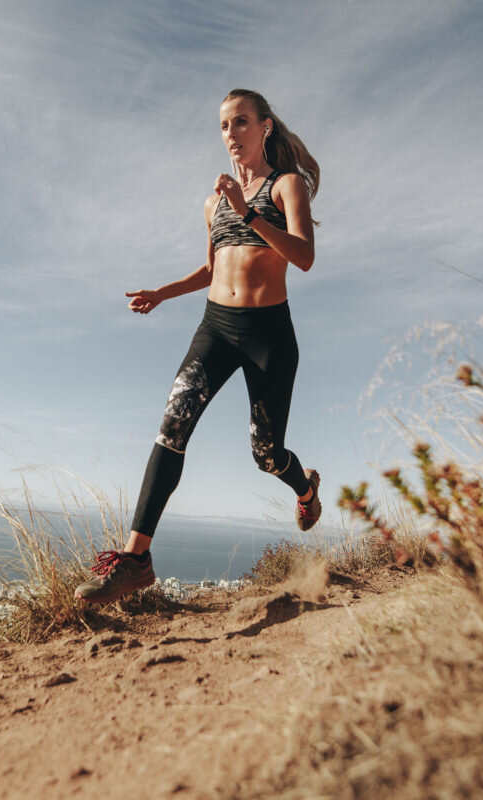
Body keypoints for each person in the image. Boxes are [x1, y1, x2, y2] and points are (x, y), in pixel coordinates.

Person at [75, 88, 322, 604]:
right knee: (173, 425)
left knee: (266, 453)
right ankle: (135, 559)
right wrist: (162, 294)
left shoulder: (285, 186)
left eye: (241, 123)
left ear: (265, 127)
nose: (231, 134)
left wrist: (248, 212)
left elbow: (304, 257)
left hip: (268, 332)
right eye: (224, 126)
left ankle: (305, 488)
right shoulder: (213, 202)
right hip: (216, 326)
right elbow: (212, 269)